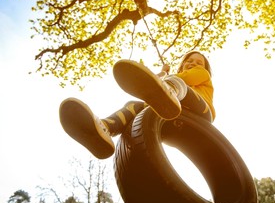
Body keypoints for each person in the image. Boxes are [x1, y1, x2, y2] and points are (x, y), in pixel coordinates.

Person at [59, 51, 215, 159]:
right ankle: (104, 129)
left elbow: (185, 79)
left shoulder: (202, 74)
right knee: (134, 106)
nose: (193, 63)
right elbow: (156, 83)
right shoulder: (175, 80)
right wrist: (162, 73)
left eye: (198, 62)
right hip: (173, 119)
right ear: (182, 65)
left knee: (178, 84)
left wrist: (166, 79)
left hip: (201, 113)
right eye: (189, 61)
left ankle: (168, 91)